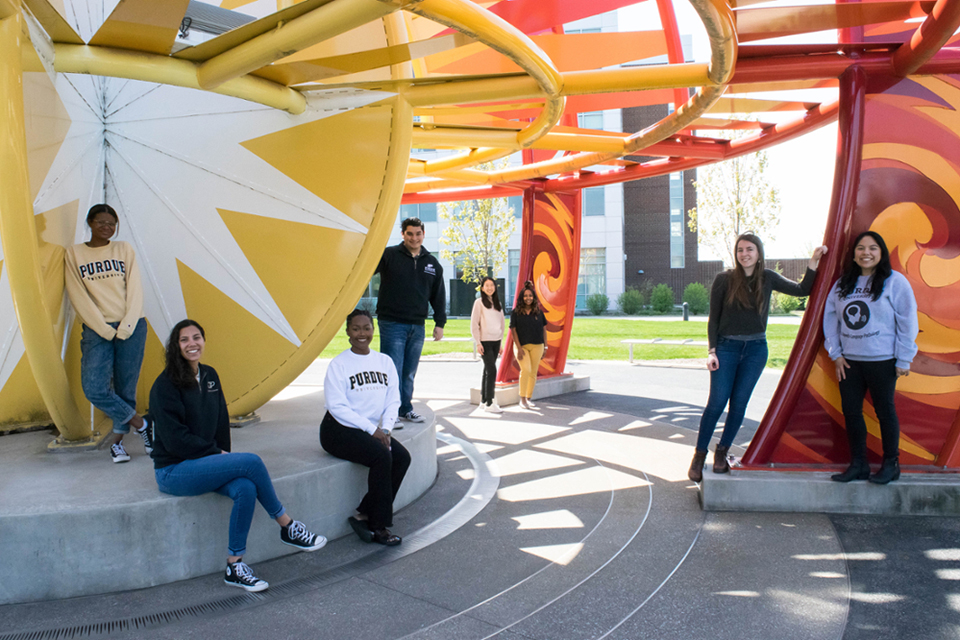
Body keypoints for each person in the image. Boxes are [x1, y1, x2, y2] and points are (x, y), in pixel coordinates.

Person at [150, 320, 327, 592]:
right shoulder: (165, 385)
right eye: (184, 340)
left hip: (206, 462)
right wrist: (216, 454)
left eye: (197, 337)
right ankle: (287, 525)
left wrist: (224, 460)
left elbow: (221, 424)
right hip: (174, 470)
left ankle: (235, 565)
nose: (192, 344)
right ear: (175, 346)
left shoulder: (209, 376)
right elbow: (174, 441)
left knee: (245, 487)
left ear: (204, 341)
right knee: (251, 462)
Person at [688, 234, 827, 482]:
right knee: (717, 403)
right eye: (740, 250)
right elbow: (714, 319)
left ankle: (722, 452)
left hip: (755, 350)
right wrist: (712, 351)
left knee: (739, 405)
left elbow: (802, 290)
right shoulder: (724, 280)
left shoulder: (768, 278)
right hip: (726, 348)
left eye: (750, 249)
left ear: (759, 253)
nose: (745, 254)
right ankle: (699, 455)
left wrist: (813, 262)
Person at [824, 231, 918, 485]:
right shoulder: (843, 285)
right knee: (851, 412)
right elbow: (830, 319)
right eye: (861, 248)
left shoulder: (894, 282)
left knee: (885, 412)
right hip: (850, 363)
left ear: (881, 253)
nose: (866, 252)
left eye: (873, 248)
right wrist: (836, 354)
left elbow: (908, 320)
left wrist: (904, 358)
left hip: (883, 361)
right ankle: (859, 464)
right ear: (853, 255)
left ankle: (891, 464)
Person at [64, 204, 151, 463]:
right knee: (94, 388)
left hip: (132, 326)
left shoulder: (123, 249)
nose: (107, 227)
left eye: (112, 223)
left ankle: (117, 445)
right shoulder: (75, 254)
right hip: (96, 330)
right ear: (90, 223)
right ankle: (144, 425)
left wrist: (126, 326)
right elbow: (77, 294)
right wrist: (103, 329)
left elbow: (135, 288)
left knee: (126, 389)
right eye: (101, 222)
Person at [321, 309, 410, 546]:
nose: (362, 333)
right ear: (347, 331)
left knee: (402, 457)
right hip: (338, 429)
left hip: (371, 429)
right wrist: (373, 431)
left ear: (373, 330)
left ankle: (364, 512)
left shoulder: (385, 362)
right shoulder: (339, 364)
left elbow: (393, 400)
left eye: (367, 328)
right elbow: (337, 406)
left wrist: (387, 430)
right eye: (356, 328)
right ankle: (378, 526)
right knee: (382, 456)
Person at [376, 217, 446, 425]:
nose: (414, 238)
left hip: (417, 326)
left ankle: (405, 408)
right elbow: (365, 271)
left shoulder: (432, 263)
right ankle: (390, 413)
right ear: (403, 235)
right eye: (410, 234)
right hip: (392, 323)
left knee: (408, 372)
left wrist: (439, 323)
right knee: (393, 370)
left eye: (418, 234)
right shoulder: (389, 255)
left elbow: (438, 295)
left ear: (423, 234)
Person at [510, 281, 547, 410]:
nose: (528, 298)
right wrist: (519, 348)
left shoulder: (539, 312)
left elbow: (544, 330)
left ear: (534, 298)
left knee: (533, 372)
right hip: (522, 346)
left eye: (530, 296)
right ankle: (522, 399)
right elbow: (513, 331)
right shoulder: (515, 312)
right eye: (525, 296)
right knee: (526, 369)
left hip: (538, 345)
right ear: (521, 298)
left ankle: (529, 398)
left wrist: (545, 347)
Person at [471, 277, 505, 413]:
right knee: (492, 370)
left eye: (492, 285)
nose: (490, 288)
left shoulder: (498, 304)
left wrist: (501, 342)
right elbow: (474, 324)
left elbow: (502, 324)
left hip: (496, 341)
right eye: (487, 285)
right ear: (482, 288)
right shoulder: (478, 303)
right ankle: (491, 403)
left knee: (487, 370)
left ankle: (484, 401)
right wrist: (478, 342)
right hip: (484, 341)